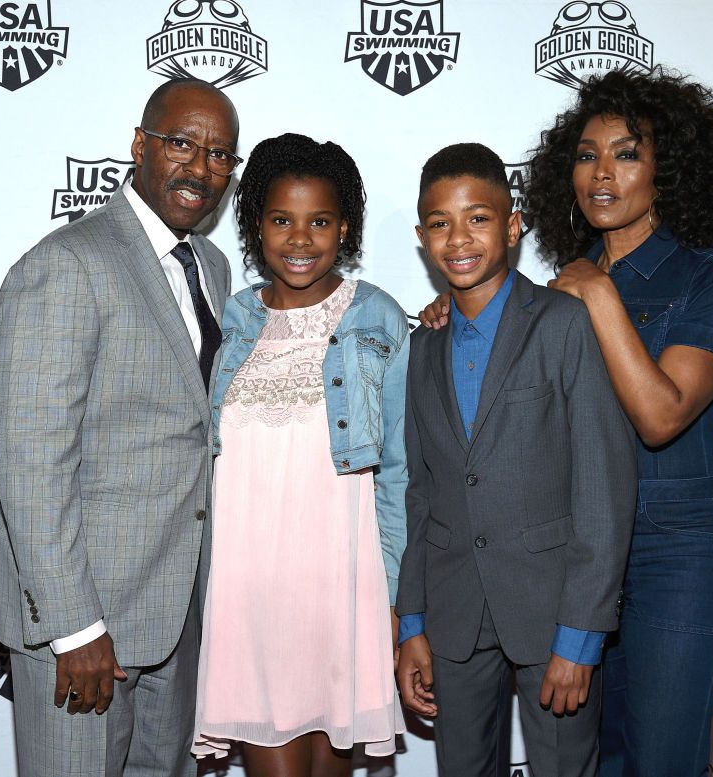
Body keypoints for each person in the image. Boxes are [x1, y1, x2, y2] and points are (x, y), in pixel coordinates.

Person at [419, 70, 713, 777]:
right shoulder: (557, 288)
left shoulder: (706, 279)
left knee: (665, 760)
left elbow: (661, 416)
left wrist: (598, 291)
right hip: (580, 560)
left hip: (677, 549)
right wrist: (455, 320)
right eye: (587, 154)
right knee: (600, 762)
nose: (602, 173)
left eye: (627, 153)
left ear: (671, 168)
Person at [0, 78, 239, 777]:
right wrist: (74, 627)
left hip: (173, 609)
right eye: (182, 142)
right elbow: (30, 462)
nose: (200, 166)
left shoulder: (210, 264)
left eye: (219, 155)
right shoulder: (66, 265)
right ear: (139, 146)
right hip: (87, 619)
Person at [396, 143, 637, 777]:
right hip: (452, 621)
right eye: (440, 222)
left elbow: (603, 490)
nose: (458, 238)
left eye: (477, 218)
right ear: (422, 236)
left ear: (511, 224)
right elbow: (419, 494)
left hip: (553, 617)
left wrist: (581, 638)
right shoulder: (422, 347)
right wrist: (412, 623)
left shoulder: (564, 324)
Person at [191, 133, 408, 777]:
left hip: (344, 577)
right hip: (248, 580)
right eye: (282, 220)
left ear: (346, 228)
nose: (300, 239)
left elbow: (399, 469)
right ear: (256, 226)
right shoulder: (226, 320)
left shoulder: (378, 318)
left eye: (320, 221)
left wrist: (394, 590)